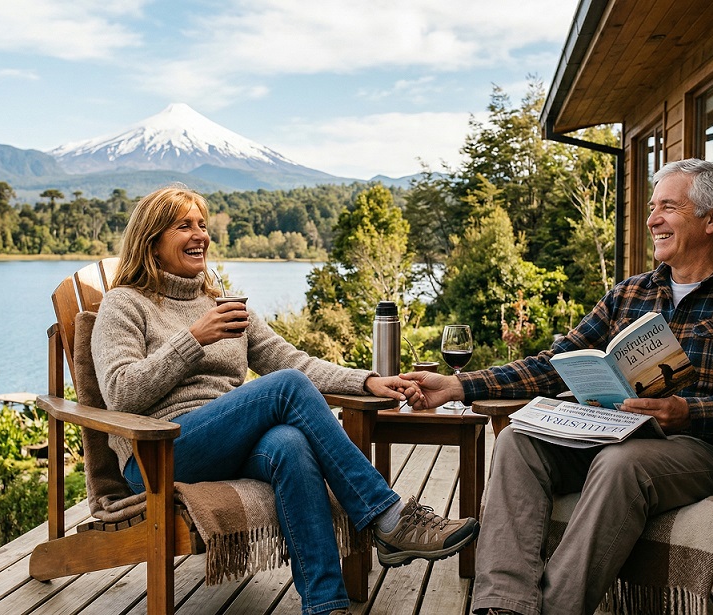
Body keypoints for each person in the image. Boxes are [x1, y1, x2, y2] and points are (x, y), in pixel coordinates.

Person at [402, 159, 713, 615]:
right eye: (653, 207)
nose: (652, 219)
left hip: (697, 447)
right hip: (611, 431)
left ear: (712, 219)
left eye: (668, 208)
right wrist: (457, 385)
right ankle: (504, 606)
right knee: (518, 441)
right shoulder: (629, 294)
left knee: (622, 465)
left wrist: (692, 411)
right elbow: (552, 366)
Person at [91, 184, 478, 615]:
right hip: (159, 453)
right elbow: (121, 392)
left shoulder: (220, 302)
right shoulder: (124, 304)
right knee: (285, 386)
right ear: (152, 241)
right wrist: (193, 339)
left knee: (289, 445)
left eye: (202, 224)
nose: (200, 234)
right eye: (184, 226)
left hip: (225, 442)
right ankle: (388, 517)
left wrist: (367, 381)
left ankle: (325, 605)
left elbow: (291, 359)